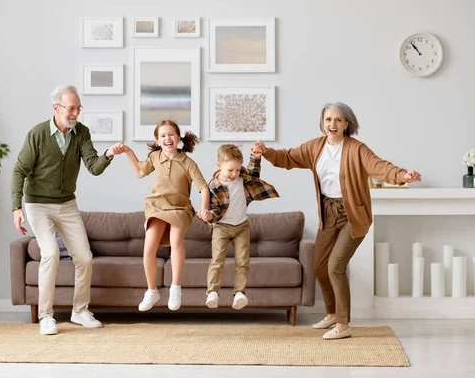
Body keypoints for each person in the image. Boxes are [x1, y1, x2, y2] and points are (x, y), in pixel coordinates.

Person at [254, 102, 421, 340]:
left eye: (338, 120)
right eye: (328, 119)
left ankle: (343, 324)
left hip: (353, 215)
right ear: (323, 123)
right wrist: (266, 152)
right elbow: (288, 157)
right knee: (319, 266)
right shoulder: (315, 147)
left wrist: (403, 175)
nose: (332, 124)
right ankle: (332, 313)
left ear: (347, 124)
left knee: (336, 266)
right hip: (328, 213)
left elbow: (379, 167)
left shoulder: (356, 149)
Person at [11, 84, 124, 335]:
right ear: (56, 108)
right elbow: (20, 170)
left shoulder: (81, 133)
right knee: (50, 253)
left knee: (84, 257)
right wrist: (16, 207)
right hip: (38, 204)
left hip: (67, 204)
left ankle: (80, 311)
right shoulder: (38, 134)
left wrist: (108, 154)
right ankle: (46, 316)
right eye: (71, 108)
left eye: (78, 108)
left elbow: (93, 167)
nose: (75, 113)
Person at [123, 120, 209, 312]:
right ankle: (151, 290)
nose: (167, 138)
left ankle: (175, 287)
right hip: (157, 206)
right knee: (148, 248)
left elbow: (203, 188)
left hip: (180, 208)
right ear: (157, 140)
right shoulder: (155, 157)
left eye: (171, 134)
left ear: (179, 138)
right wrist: (128, 152)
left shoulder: (188, 162)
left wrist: (203, 208)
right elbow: (139, 171)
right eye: (162, 135)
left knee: (176, 239)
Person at [197, 144, 279, 310]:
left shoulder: (242, 176)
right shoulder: (213, 186)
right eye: (230, 170)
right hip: (221, 227)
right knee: (217, 261)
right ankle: (212, 292)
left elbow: (254, 173)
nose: (234, 174)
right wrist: (208, 216)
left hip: (241, 226)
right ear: (219, 165)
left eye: (237, 170)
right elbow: (214, 211)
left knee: (242, 261)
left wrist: (256, 157)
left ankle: (239, 293)